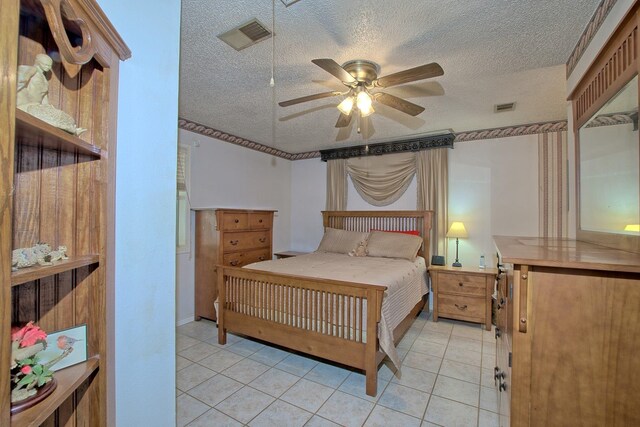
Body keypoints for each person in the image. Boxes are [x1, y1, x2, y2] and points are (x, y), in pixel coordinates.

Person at [17, 54, 86, 135]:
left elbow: (44, 99)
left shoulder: (45, 81)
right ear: (38, 62)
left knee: (65, 117)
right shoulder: (32, 70)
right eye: (46, 64)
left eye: (50, 66)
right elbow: (18, 82)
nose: (48, 67)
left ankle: (71, 129)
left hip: (38, 107)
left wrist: (48, 108)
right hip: (27, 107)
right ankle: (72, 129)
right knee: (44, 113)